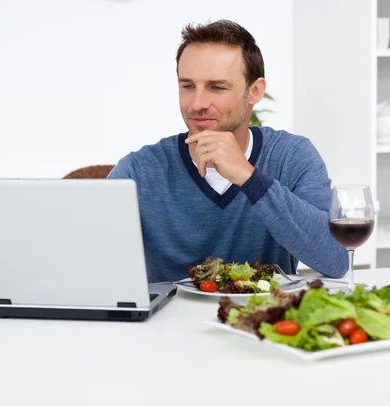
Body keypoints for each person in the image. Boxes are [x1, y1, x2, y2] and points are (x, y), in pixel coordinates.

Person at [108, 20, 348, 282]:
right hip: (167, 322)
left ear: (254, 92)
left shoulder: (292, 156)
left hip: (258, 320)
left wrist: (249, 177)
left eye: (217, 87)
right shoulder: (139, 170)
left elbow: (335, 260)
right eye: (188, 86)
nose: (197, 104)